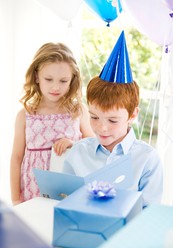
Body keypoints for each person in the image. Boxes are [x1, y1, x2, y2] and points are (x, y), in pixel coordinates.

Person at [63, 31, 163, 208]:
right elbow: (64, 200)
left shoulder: (147, 159)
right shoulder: (77, 153)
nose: (102, 128)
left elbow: (150, 212)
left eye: (113, 121)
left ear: (133, 115)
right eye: (94, 117)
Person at [10, 42, 94, 205]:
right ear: (36, 77)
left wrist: (73, 143)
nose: (55, 87)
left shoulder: (77, 111)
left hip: (68, 185)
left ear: (72, 80)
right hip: (33, 187)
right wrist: (15, 198)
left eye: (63, 81)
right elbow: (16, 158)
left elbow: (92, 146)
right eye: (48, 79)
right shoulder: (25, 115)